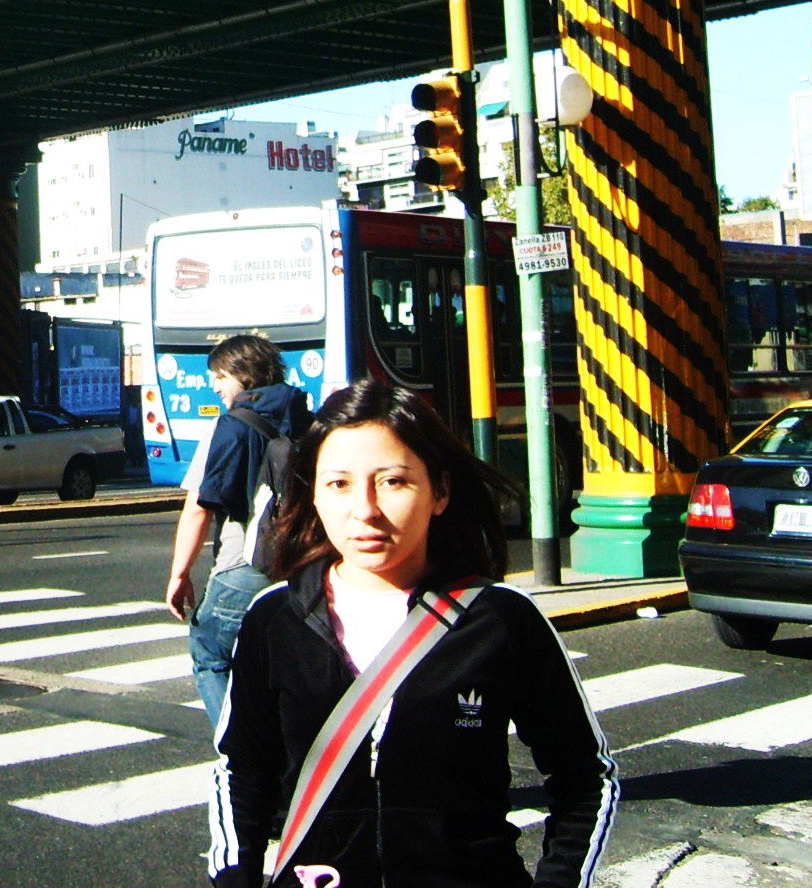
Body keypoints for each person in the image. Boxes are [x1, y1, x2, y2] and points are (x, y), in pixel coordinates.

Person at [207, 380, 615, 888]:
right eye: (338, 484)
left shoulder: (499, 619)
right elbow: (241, 774)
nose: (366, 510)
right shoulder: (274, 618)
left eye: (393, 481)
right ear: (313, 492)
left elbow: (585, 780)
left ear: (439, 492)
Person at [164, 334, 313, 732]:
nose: (214, 386)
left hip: (245, 564)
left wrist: (180, 574)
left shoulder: (229, 425)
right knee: (274, 662)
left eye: (220, 376)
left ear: (245, 375)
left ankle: (238, 751)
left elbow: (199, 508)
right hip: (300, 566)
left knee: (210, 652)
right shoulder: (304, 418)